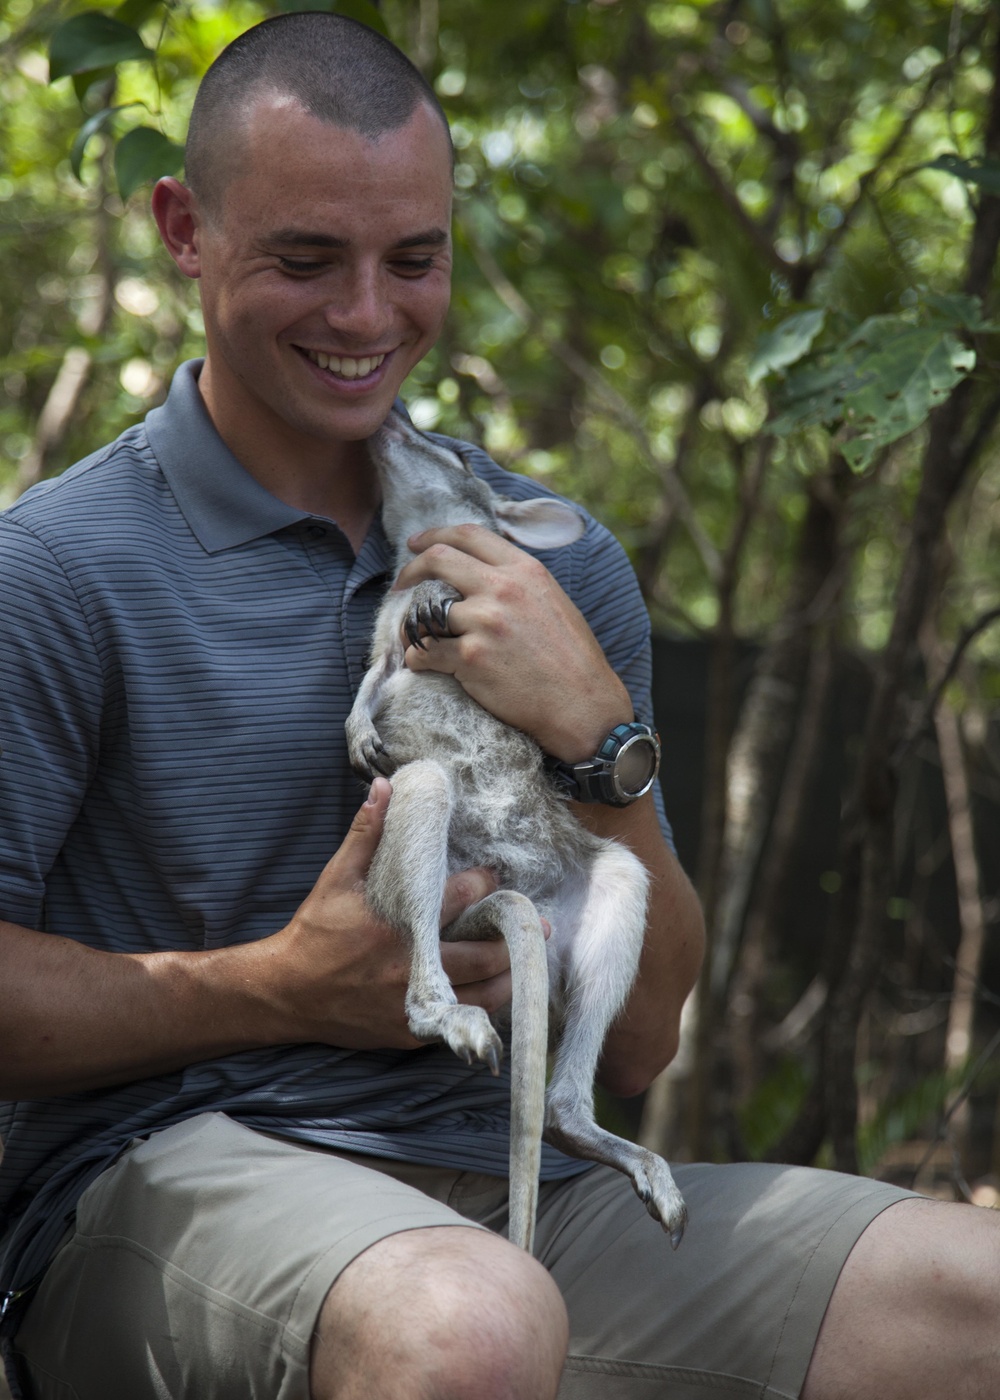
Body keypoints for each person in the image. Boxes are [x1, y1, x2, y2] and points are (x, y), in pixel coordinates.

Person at [0, 13, 997, 1400]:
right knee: (467, 1324)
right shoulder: (53, 568)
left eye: (414, 261)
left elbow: (641, 1040)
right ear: (183, 225)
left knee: (975, 1300)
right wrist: (277, 989)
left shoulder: (557, 562)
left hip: (519, 1178)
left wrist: (601, 737)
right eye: (305, 260)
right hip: (170, 1179)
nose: (366, 316)